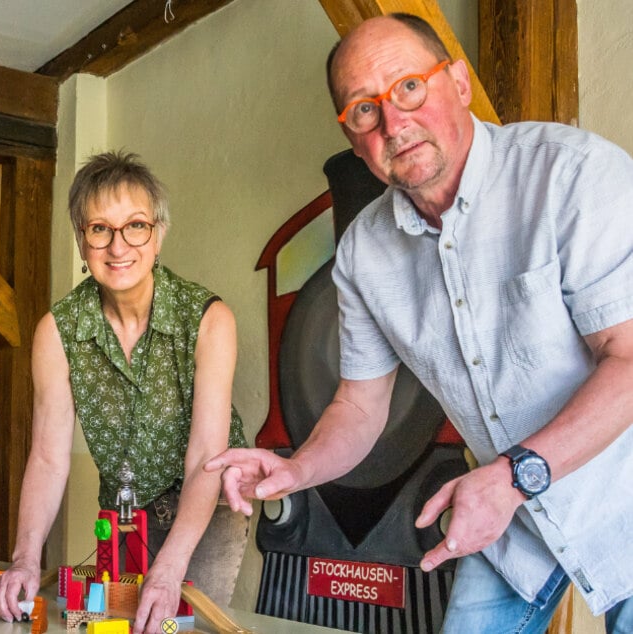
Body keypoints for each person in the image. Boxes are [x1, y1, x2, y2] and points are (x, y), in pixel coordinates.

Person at [206, 13, 633, 634]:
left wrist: (515, 477)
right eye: (363, 110)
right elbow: (359, 406)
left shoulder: (572, 175)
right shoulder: (362, 254)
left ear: (458, 82)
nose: (394, 123)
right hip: (509, 511)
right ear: (352, 136)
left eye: (409, 87)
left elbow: (628, 357)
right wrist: (297, 469)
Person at [0, 151, 249, 634]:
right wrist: (25, 559)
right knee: (116, 627)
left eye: (135, 226)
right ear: (81, 240)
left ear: (158, 233)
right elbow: (48, 457)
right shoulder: (57, 332)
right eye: (99, 229)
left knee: (186, 628)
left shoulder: (209, 320)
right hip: (125, 512)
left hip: (207, 506)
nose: (118, 247)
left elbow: (205, 460)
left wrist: (169, 570)